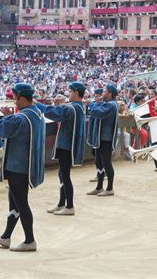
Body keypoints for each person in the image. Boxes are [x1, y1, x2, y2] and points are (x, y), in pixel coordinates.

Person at [0, 83, 45, 252]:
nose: (14, 101)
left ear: (23, 98)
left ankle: (30, 240)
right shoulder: (36, 113)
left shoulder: (21, 117)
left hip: (18, 166)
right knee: (15, 203)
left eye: (15, 98)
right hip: (24, 164)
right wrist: (8, 117)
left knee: (21, 203)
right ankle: (6, 236)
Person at [37, 82, 86, 216]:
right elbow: (60, 112)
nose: (69, 94)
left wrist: (37, 104)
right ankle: (61, 204)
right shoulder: (78, 106)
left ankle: (69, 206)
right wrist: (60, 105)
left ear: (76, 92)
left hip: (66, 145)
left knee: (65, 175)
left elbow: (53, 113)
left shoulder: (72, 108)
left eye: (70, 91)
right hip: (67, 144)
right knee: (62, 174)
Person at [86, 84, 119, 196]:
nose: (102, 94)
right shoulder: (108, 104)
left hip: (106, 139)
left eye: (104, 92)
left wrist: (90, 104)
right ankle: (99, 187)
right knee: (98, 162)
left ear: (110, 93)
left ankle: (109, 188)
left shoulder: (112, 105)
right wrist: (95, 103)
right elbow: (99, 108)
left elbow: (99, 112)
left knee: (106, 163)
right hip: (100, 138)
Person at [88, 88, 105, 183]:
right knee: (95, 153)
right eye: (95, 96)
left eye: (98, 96)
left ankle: (101, 173)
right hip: (95, 134)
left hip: (99, 135)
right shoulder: (96, 105)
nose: (96, 98)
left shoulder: (101, 105)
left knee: (99, 156)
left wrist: (90, 104)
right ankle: (101, 172)